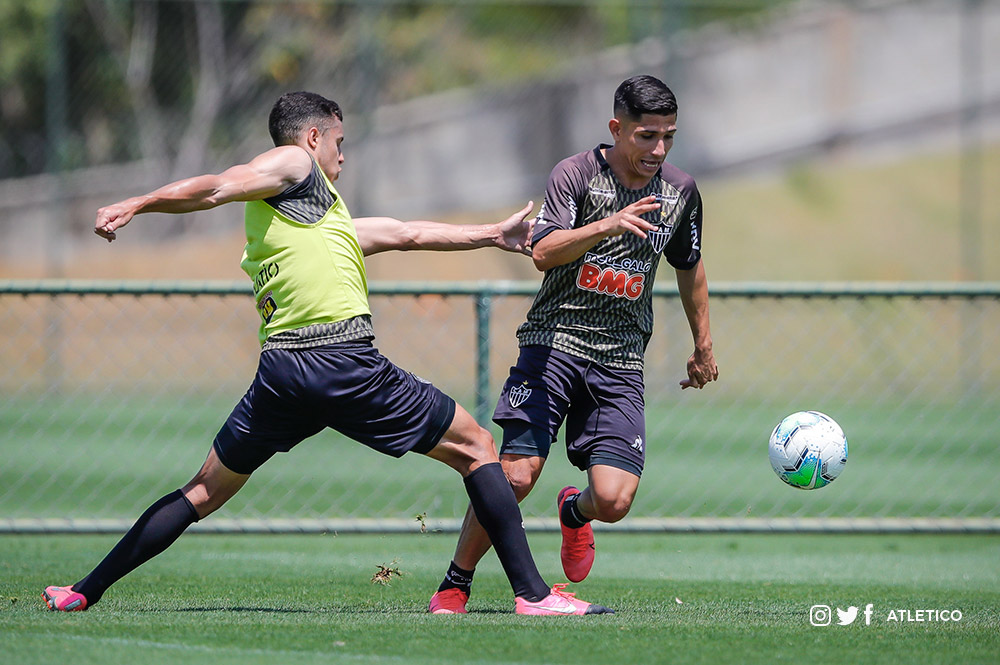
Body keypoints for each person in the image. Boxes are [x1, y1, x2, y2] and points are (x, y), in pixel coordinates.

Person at [41, 91, 611, 616]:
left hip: (282, 375)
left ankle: (81, 591)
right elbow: (219, 184)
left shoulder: (312, 215)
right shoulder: (293, 164)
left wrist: (491, 233)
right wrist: (137, 202)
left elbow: (406, 233)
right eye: (340, 141)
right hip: (339, 360)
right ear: (313, 138)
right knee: (479, 447)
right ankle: (532, 596)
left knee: (203, 491)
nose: (343, 154)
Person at [428, 75, 718, 614]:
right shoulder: (577, 174)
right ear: (617, 128)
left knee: (613, 500)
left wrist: (703, 344)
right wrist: (610, 225)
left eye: (668, 137)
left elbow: (689, 265)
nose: (658, 149)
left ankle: (574, 514)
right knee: (515, 475)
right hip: (553, 343)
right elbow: (543, 251)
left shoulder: (681, 191)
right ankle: (455, 583)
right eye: (646, 136)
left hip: (621, 358)